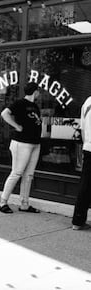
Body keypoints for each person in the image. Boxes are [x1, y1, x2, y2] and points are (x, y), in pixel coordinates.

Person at [0, 82, 42, 214]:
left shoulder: (35, 106)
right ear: (35, 91)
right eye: (38, 91)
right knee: (16, 173)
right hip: (21, 143)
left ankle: (24, 204)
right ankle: (2, 202)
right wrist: (16, 126)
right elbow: (4, 113)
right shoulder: (20, 103)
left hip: (35, 143)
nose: (39, 93)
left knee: (28, 175)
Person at [72, 96, 91, 230]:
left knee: (85, 184)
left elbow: (83, 129)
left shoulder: (88, 102)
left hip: (89, 147)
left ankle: (77, 221)